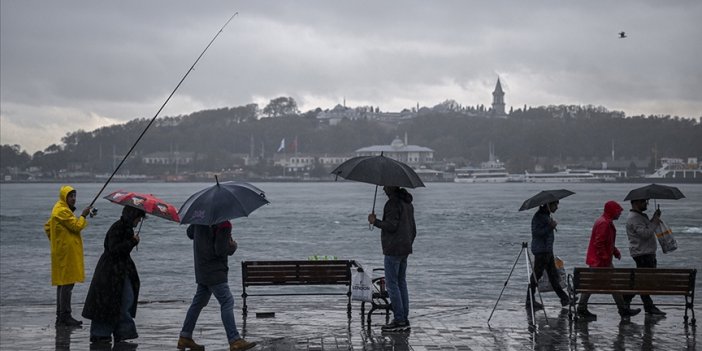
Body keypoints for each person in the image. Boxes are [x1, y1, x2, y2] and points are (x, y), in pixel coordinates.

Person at [177, 221, 256, 351]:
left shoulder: (199, 220)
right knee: (227, 301)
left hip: (202, 269)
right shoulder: (224, 224)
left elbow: (190, 233)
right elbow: (220, 250)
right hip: (215, 271)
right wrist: (232, 246)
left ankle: (185, 336)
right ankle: (234, 340)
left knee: (198, 303)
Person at [82, 206, 145, 344]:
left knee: (122, 300)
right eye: (138, 217)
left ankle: (118, 332)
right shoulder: (118, 228)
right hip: (110, 273)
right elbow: (114, 249)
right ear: (132, 216)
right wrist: (133, 242)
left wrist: (132, 241)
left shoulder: (125, 228)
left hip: (117, 271)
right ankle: (106, 333)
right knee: (115, 301)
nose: (139, 220)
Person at [576, 201, 641, 319]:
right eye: (618, 211)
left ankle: (582, 308)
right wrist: (606, 257)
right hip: (600, 262)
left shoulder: (604, 221)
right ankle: (622, 310)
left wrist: (615, 252)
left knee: (596, 285)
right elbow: (599, 243)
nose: (620, 214)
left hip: (599, 261)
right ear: (612, 211)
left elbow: (607, 242)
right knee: (607, 285)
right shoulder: (604, 223)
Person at [367, 186, 417, 332]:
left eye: (386, 186)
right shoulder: (408, 204)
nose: (383, 188)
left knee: (392, 284)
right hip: (405, 249)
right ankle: (403, 318)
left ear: (391, 187)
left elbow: (391, 226)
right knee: (401, 283)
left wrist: (374, 221)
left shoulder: (393, 204)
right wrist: (407, 243)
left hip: (393, 249)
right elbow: (413, 229)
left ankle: (400, 320)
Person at [44, 185, 92, 327]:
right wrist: (83, 215)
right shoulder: (62, 211)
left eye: (74, 196)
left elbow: (47, 226)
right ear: (64, 197)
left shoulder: (60, 209)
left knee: (63, 283)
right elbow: (77, 226)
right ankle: (65, 316)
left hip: (62, 252)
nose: (73, 199)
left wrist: (58, 240)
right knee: (67, 284)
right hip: (66, 254)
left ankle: (61, 316)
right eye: (71, 196)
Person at [623, 198, 666, 315]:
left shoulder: (640, 216)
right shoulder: (634, 218)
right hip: (642, 253)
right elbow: (645, 234)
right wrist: (655, 221)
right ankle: (630, 300)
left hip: (646, 252)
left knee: (644, 281)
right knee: (643, 281)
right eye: (644, 202)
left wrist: (654, 217)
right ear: (636, 203)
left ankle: (644, 305)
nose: (646, 204)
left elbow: (647, 228)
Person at [526, 200, 571, 309]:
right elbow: (536, 233)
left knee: (553, 275)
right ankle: (529, 300)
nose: (557, 207)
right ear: (548, 205)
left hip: (547, 251)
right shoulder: (539, 217)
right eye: (555, 205)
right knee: (537, 276)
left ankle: (564, 299)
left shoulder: (546, 216)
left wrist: (550, 225)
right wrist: (550, 227)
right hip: (541, 251)